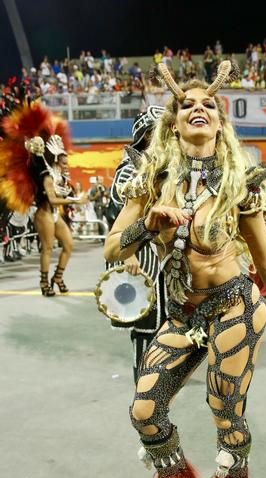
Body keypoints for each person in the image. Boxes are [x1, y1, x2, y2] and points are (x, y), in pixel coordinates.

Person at [104, 61, 266, 478]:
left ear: (220, 121)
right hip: (181, 311)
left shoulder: (240, 182)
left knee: (225, 407)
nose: (198, 108)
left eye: (208, 104)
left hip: (234, 303)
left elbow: (265, 256)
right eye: (187, 104)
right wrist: (148, 224)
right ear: (173, 121)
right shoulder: (150, 179)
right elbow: (113, 249)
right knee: (145, 410)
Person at [0, 102, 88, 295]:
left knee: (68, 245)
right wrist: (75, 201)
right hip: (44, 214)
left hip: (55, 215)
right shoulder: (46, 175)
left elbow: (60, 195)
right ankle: (43, 283)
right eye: (64, 162)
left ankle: (57, 277)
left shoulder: (58, 174)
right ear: (56, 159)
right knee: (47, 249)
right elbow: (54, 200)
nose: (67, 166)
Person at [108, 105, 167, 381]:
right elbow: (115, 215)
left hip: (163, 257)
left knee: (166, 320)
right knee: (146, 322)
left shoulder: (166, 166)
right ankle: (143, 385)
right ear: (145, 135)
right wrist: (127, 256)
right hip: (139, 255)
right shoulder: (128, 169)